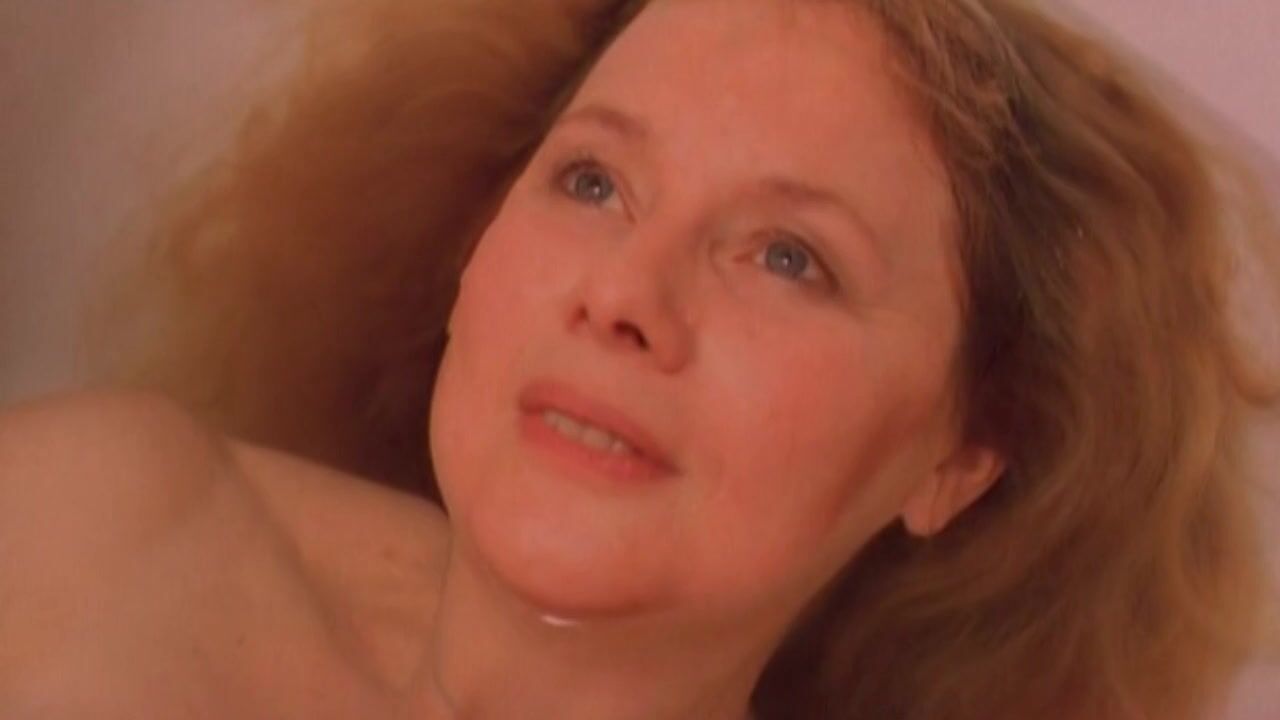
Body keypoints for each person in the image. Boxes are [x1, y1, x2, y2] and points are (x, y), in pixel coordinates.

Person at [1, 0, 1276, 718]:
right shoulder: (92, 523)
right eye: (592, 181)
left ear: (960, 458)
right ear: (475, 247)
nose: (622, 295)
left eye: (790, 257)